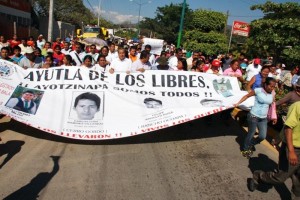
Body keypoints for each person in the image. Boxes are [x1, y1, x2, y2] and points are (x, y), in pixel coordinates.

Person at [248, 101, 300, 199]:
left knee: (299, 180)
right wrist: (291, 151)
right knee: (280, 177)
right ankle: (258, 176)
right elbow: (288, 128)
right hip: (293, 148)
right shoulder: (297, 106)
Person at [234, 77, 277, 158]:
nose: (272, 88)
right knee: (251, 133)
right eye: (271, 86)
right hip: (253, 116)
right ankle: (245, 148)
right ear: (265, 84)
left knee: (262, 136)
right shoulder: (258, 90)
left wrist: (274, 117)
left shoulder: (273, 93)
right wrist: (238, 103)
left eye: (274, 86)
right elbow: (247, 96)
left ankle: (250, 143)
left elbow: (273, 105)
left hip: (263, 118)